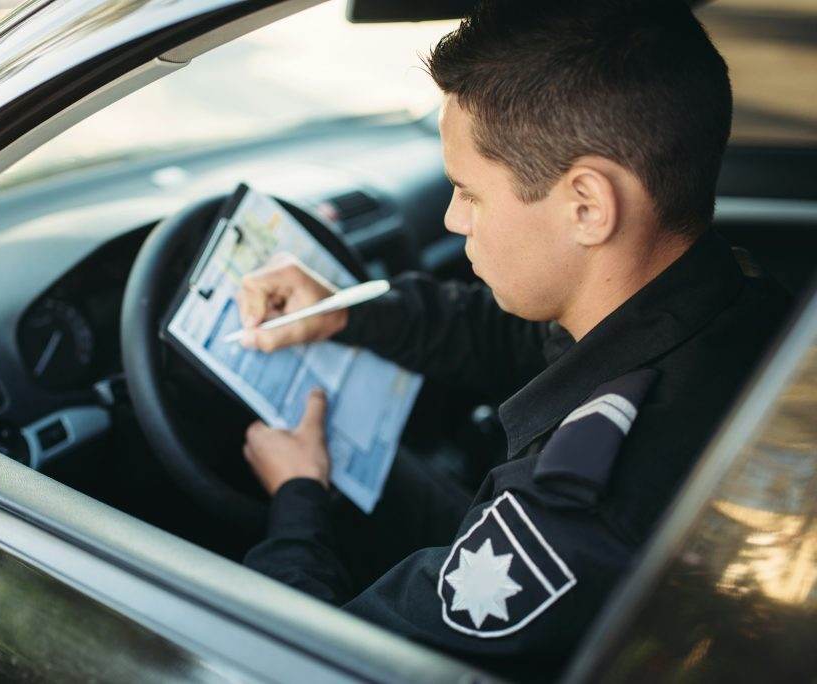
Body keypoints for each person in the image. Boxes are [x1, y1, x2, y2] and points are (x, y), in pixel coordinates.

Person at [235, 0, 789, 679]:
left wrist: (298, 499)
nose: (450, 218)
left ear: (587, 205)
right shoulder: (738, 305)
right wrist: (350, 311)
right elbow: (522, 338)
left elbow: (309, 666)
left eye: (469, 191)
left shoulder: (574, 520)